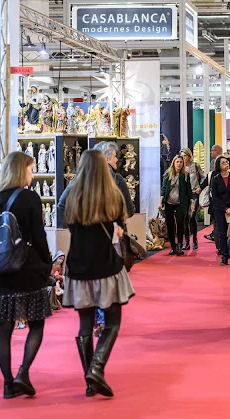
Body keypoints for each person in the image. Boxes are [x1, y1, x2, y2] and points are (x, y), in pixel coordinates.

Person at [61, 150, 135, 398]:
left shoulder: (73, 195)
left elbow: (63, 217)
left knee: (84, 322)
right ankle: (96, 367)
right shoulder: (112, 195)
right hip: (105, 265)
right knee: (112, 321)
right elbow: (123, 223)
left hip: (78, 265)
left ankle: (90, 381)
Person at [0, 152, 52, 399]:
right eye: (30, 170)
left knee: (5, 328)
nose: (32, 175)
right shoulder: (29, 197)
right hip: (27, 269)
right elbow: (39, 236)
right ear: (21, 170)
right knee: (36, 324)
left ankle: (7, 384)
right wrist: (47, 264)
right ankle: (23, 373)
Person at [92, 141, 135, 336]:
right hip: (112, 238)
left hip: (88, 241)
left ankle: (96, 317)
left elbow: (62, 205)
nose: (118, 159)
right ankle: (103, 320)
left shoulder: (82, 180)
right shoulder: (116, 180)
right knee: (108, 280)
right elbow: (130, 210)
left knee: (94, 280)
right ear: (108, 158)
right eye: (115, 156)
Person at [159, 155, 194, 256]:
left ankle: (179, 245)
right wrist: (160, 201)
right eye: (177, 162)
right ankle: (173, 246)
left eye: (181, 162)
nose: (179, 164)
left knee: (180, 223)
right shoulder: (167, 174)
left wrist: (191, 202)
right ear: (173, 163)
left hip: (180, 203)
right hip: (169, 202)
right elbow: (163, 189)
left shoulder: (185, 175)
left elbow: (189, 190)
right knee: (170, 225)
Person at [211, 155, 230, 266]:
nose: (226, 164)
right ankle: (224, 256)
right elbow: (215, 197)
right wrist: (225, 208)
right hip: (220, 209)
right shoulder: (215, 179)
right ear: (218, 165)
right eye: (223, 162)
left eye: (227, 162)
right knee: (222, 233)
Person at [180, 148, 203, 250]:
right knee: (185, 218)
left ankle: (194, 239)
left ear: (189, 156)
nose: (183, 158)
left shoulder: (195, 166)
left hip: (194, 193)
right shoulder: (180, 167)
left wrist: (200, 187)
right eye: (182, 156)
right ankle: (187, 241)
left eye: (185, 156)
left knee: (192, 216)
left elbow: (203, 177)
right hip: (185, 195)